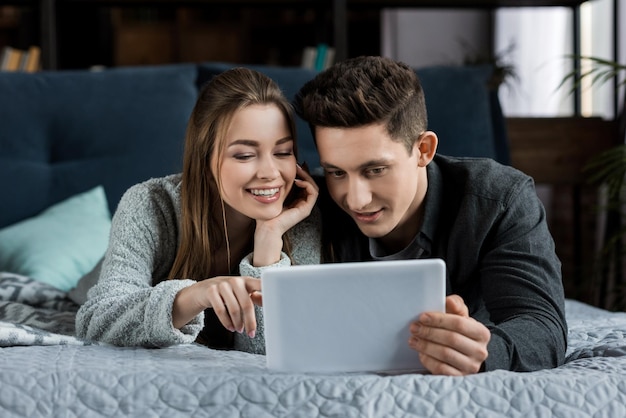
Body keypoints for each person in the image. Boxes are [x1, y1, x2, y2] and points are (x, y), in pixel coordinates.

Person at [293, 55, 567, 376]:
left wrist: (484, 350)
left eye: (376, 169)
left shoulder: (501, 199)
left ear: (423, 150)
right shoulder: (313, 205)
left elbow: (542, 327)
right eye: (336, 172)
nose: (355, 199)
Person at [76, 67, 321, 353]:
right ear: (205, 161)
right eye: (244, 155)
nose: (271, 173)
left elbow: (270, 350)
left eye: (283, 152)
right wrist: (194, 295)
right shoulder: (151, 203)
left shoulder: (300, 215)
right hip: (91, 284)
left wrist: (268, 242)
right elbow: (96, 320)